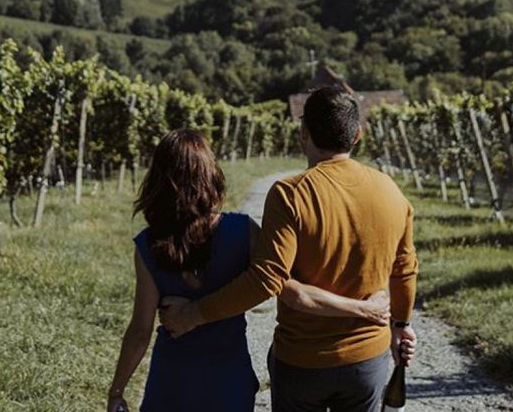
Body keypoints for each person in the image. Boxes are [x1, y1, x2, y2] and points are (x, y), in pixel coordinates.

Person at [161, 85, 419, 412]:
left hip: (302, 363)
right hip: (367, 360)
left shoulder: (290, 194)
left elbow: (266, 280)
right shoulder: (391, 191)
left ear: (303, 133)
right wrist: (400, 326)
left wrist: (193, 315)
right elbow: (405, 269)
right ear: (358, 135)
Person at [107, 129, 391, 412]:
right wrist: (360, 308)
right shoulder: (242, 232)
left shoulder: (148, 246)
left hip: (171, 381)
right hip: (228, 380)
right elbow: (284, 286)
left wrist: (116, 392)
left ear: (158, 179)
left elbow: (140, 331)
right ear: (211, 175)